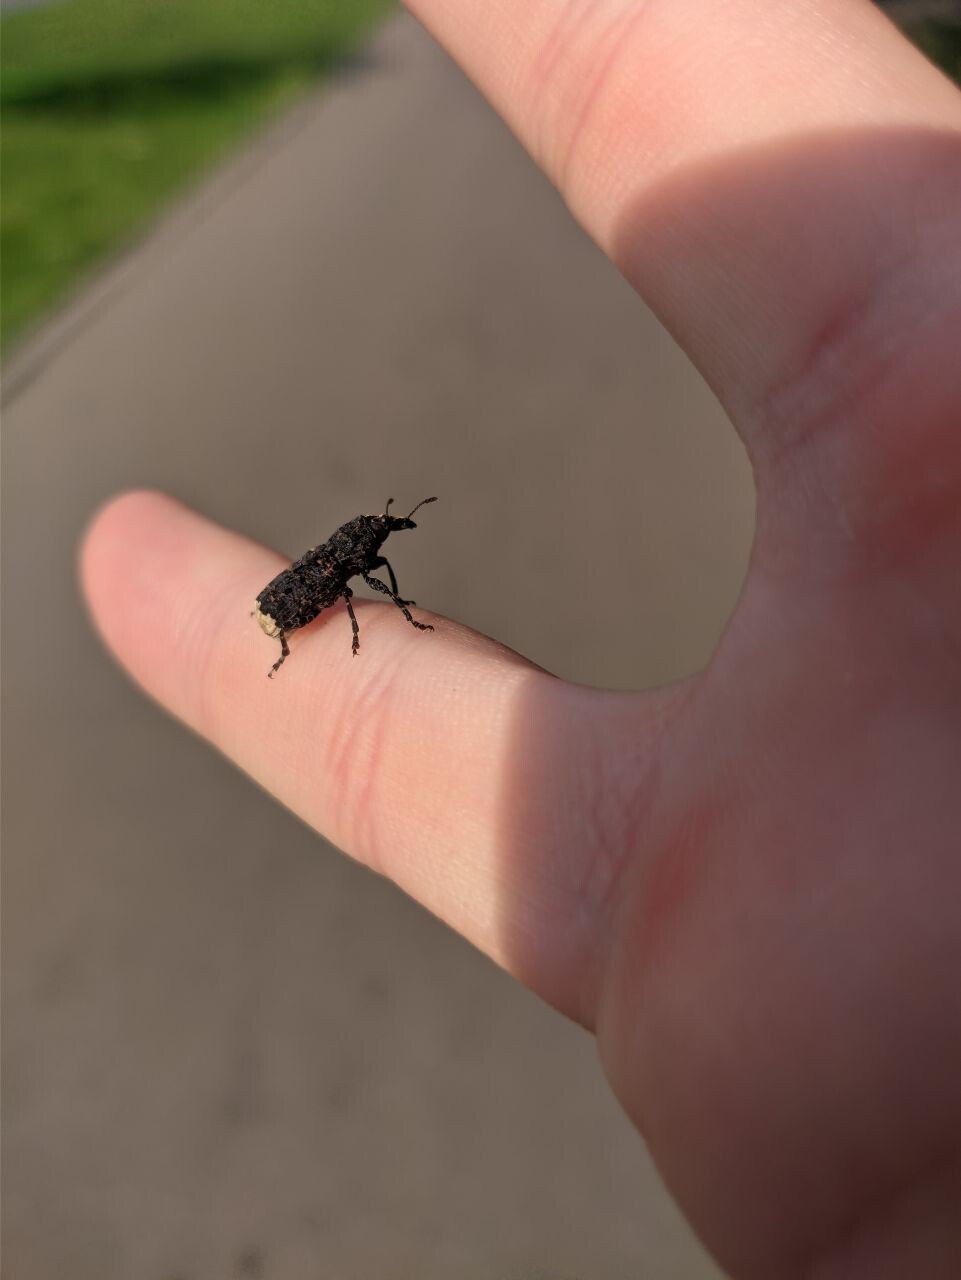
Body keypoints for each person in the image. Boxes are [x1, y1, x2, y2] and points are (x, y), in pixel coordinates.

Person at [81, 2, 961, 1275]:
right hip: (292, 601)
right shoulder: (343, 560)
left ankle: (300, 627)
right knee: (336, 593)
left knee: (340, 594)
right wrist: (349, 613)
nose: (380, 539)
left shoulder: (354, 545)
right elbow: (358, 575)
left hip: (294, 601)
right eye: (381, 533)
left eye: (381, 533)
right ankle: (297, 626)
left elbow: (365, 566)